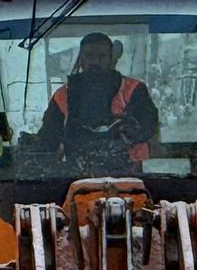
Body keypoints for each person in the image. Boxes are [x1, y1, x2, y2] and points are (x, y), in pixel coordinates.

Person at [33, 31, 159, 168]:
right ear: (81, 59)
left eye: (102, 56)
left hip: (127, 178)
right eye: (89, 55)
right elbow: (48, 139)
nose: (95, 61)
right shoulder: (63, 96)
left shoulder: (134, 90)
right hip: (76, 179)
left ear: (111, 59)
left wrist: (134, 133)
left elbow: (149, 125)